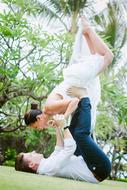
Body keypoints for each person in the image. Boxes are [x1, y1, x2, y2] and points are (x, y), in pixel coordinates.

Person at [24, 17, 114, 130]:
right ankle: (86, 33)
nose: (40, 129)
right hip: (78, 82)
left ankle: (88, 30)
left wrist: (63, 118)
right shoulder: (50, 112)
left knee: (108, 56)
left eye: (37, 127)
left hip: (78, 79)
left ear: (38, 118)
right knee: (95, 57)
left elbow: (74, 101)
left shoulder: (49, 108)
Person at [15, 89, 111, 183]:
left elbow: (59, 148)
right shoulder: (47, 167)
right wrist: (64, 126)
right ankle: (85, 98)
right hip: (98, 169)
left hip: (87, 163)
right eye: (30, 154)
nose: (33, 151)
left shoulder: (45, 164)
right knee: (80, 135)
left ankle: (82, 103)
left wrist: (57, 127)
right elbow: (70, 148)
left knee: (72, 133)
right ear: (32, 164)